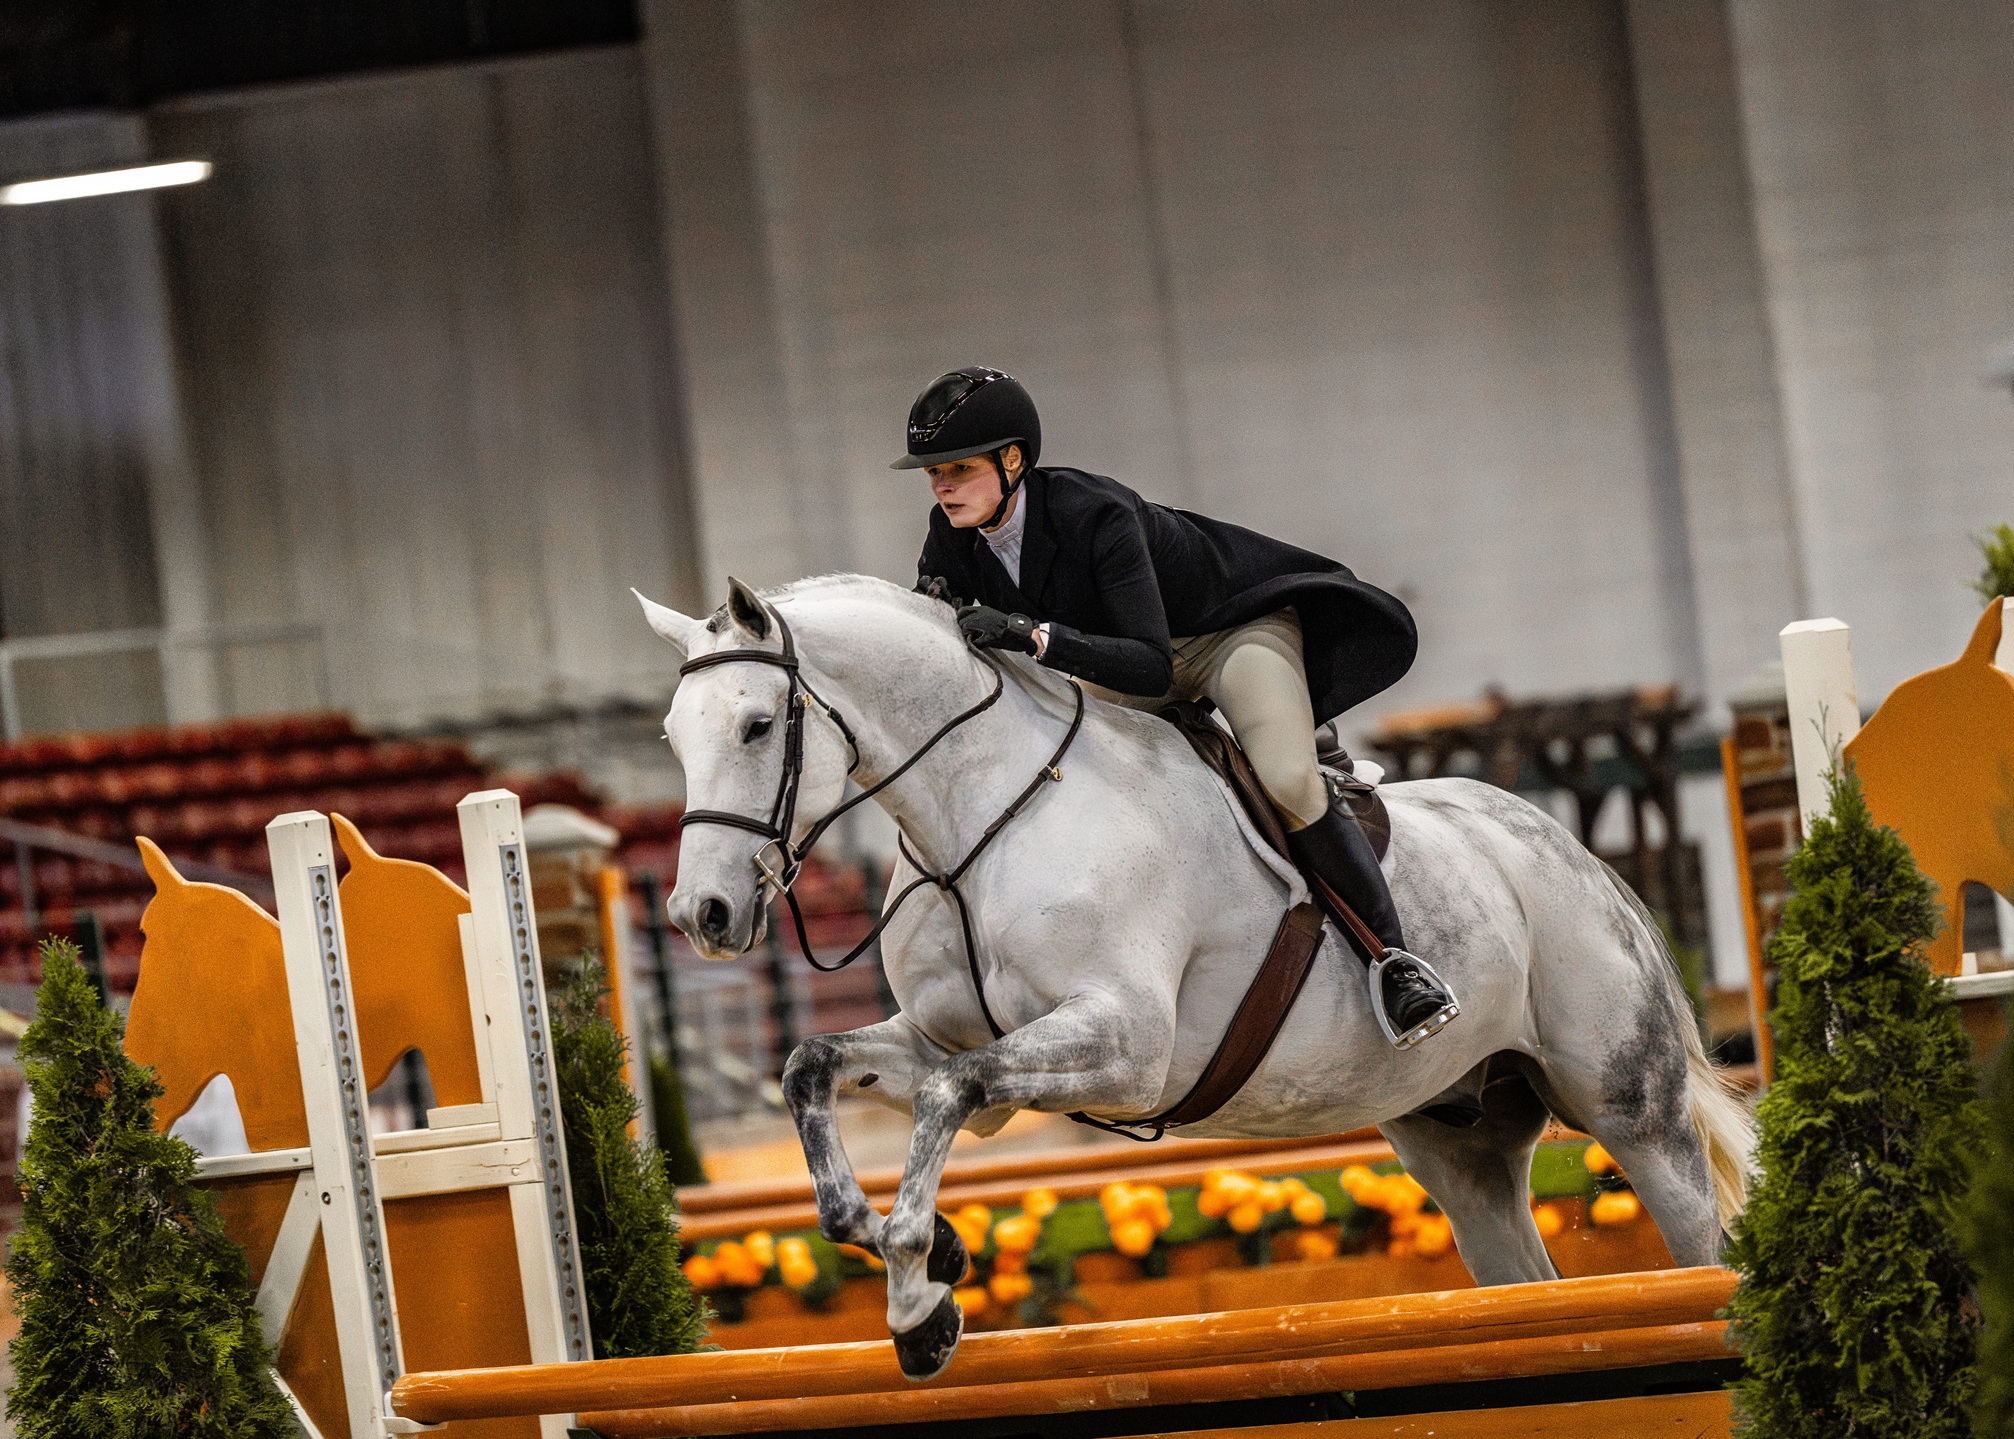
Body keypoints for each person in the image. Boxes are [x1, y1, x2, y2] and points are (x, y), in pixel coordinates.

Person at [898, 365, 1465, 1068]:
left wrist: (1031, 633)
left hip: (1226, 635)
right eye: (933, 473)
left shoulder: (1094, 514)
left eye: (958, 468)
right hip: (1127, 657)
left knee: (1287, 781)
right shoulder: (950, 533)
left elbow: (1152, 666)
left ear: (1012, 461)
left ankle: (1396, 962)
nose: (941, 485)